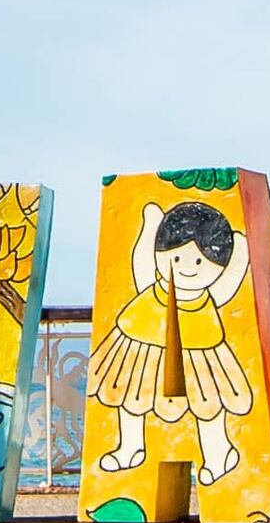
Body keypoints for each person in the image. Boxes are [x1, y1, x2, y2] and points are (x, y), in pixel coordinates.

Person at [86, 196, 257, 487]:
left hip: (200, 352)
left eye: (200, 260)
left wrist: (241, 253)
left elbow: (228, 287)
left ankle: (218, 453)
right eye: (176, 258)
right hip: (140, 347)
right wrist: (150, 226)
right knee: (129, 397)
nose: (187, 267)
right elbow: (141, 264)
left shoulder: (206, 298)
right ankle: (130, 447)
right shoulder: (152, 288)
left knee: (208, 404)